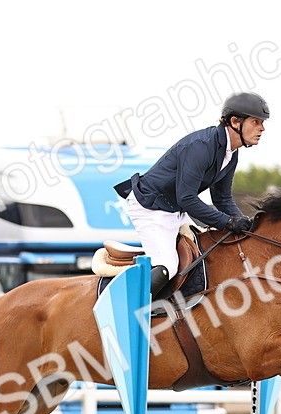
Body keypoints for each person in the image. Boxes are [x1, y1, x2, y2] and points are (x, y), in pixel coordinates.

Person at [114, 91, 268, 299]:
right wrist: (228, 221)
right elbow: (187, 199)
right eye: (256, 122)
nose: (262, 128)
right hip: (150, 207)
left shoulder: (231, 154)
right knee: (168, 265)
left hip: (174, 209)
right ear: (235, 121)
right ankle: (127, 310)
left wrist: (243, 222)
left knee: (209, 252)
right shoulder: (201, 147)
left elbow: (222, 199)